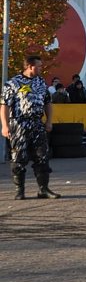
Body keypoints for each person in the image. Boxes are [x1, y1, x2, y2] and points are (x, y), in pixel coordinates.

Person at [1, 55, 61, 199]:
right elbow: (4, 105)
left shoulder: (41, 82)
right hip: (19, 124)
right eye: (39, 66)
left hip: (37, 124)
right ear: (29, 66)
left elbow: (47, 103)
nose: (41, 68)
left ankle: (43, 189)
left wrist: (49, 121)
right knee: (18, 158)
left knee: (42, 156)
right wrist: (5, 125)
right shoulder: (13, 83)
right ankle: (19, 191)